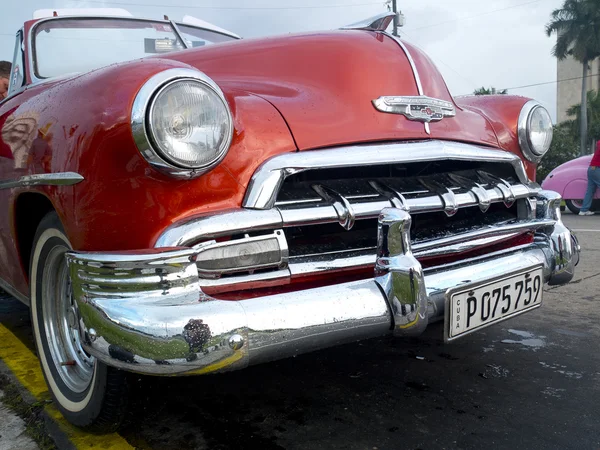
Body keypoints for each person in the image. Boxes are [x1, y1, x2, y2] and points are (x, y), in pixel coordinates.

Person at [579, 140, 600, 216]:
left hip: (592, 169)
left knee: (590, 191)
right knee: (590, 191)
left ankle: (583, 210)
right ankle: (584, 210)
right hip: (597, 169)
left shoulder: (599, 143)